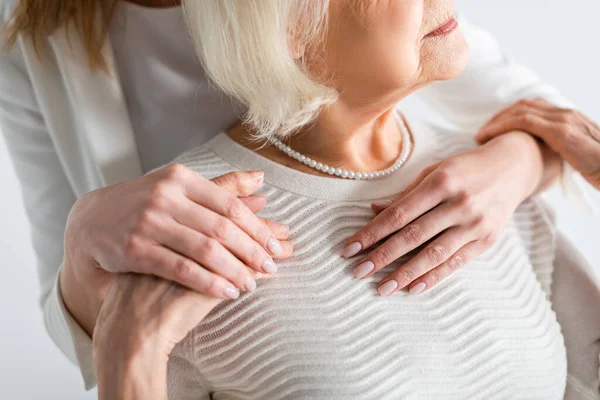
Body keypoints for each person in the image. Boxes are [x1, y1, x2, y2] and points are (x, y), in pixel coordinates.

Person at [0, 0, 598, 396]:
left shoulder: (469, 183)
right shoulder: (24, 37)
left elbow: (540, 115)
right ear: (286, 24)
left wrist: (516, 164)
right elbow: (93, 330)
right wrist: (92, 267)